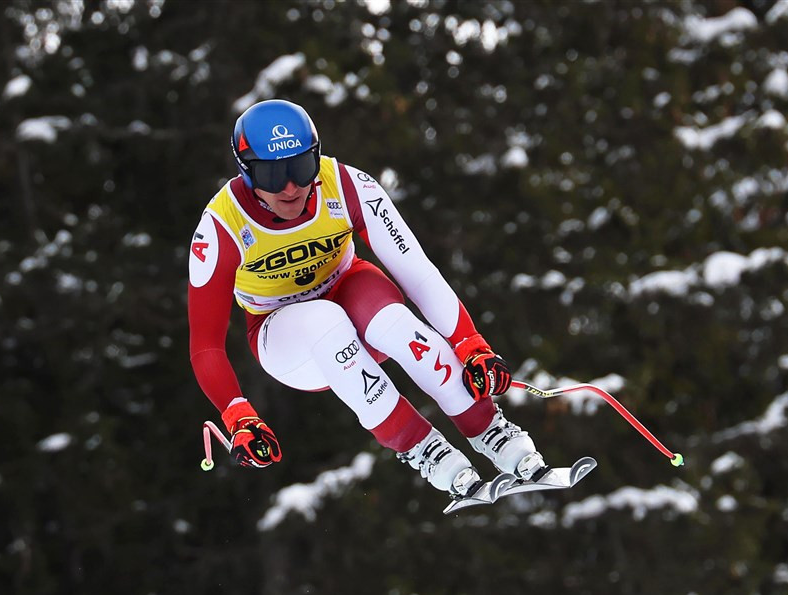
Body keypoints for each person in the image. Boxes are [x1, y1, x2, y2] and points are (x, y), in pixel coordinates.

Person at [188, 99, 548, 498]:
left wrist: (470, 342)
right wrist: (237, 413)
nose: (290, 187)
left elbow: (417, 272)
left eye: (301, 168)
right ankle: (427, 451)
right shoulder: (221, 225)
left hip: (351, 295)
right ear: (246, 171)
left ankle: (494, 433)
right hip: (287, 339)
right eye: (272, 175)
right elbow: (205, 344)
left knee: (392, 319)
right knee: (324, 319)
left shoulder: (346, 185)